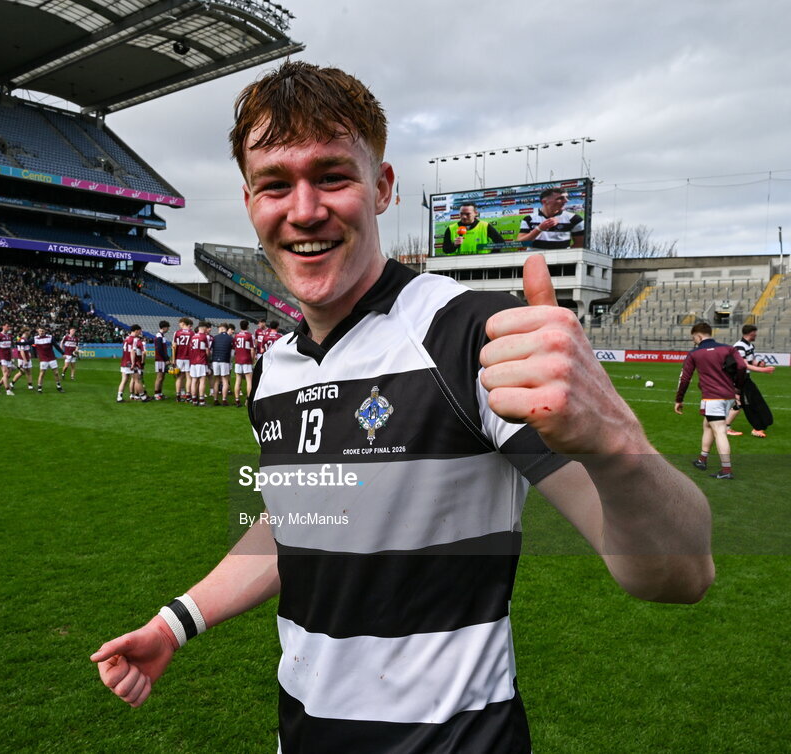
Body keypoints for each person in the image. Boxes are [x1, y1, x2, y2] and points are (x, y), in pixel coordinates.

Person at [90, 61, 714, 752]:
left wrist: (616, 439)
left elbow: (679, 576)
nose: (303, 210)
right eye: (276, 184)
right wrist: (177, 621)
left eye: (331, 175)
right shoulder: (274, 369)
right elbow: (301, 517)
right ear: (249, 203)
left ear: (382, 187)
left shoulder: (469, 333)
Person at [675, 322, 746, 480]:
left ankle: (726, 470)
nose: (694, 341)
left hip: (712, 398)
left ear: (698, 336)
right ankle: (702, 459)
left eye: (694, 337)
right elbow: (741, 367)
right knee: (708, 425)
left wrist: (679, 399)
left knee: (719, 430)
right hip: (727, 396)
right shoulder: (728, 348)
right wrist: (737, 389)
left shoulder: (694, 353)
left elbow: (685, 379)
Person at [724, 324, 776, 437]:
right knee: (746, 403)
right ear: (751, 333)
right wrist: (763, 370)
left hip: (744, 378)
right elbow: (744, 365)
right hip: (737, 379)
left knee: (741, 403)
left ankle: (726, 426)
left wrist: (760, 364)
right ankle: (756, 428)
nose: (756, 335)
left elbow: (751, 361)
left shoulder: (749, 346)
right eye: (755, 333)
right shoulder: (739, 346)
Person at [516, 188, 585, 249]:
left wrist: (563, 256)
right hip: (535, 260)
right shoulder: (529, 219)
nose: (566, 201)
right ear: (545, 201)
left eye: (566, 197)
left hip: (561, 262)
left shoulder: (574, 219)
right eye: (560, 198)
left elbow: (580, 244)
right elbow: (521, 245)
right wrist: (539, 229)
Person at [440, 202, 506, 255]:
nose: (464, 217)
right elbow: (445, 250)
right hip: (457, 266)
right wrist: (454, 245)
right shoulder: (451, 228)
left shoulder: (485, 226)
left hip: (480, 265)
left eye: (467, 214)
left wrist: (490, 257)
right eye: (461, 214)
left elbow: (501, 242)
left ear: (475, 213)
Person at [32, 326, 64, 394]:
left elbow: (56, 346)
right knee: (42, 373)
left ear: (45, 331)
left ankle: (58, 386)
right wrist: (18, 343)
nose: (41, 332)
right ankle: (39, 388)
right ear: (38, 331)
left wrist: (62, 353)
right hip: (43, 359)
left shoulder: (50, 337)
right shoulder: (35, 338)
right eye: (40, 331)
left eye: (42, 331)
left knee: (56, 373)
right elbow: (29, 343)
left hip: (51, 358)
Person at [187, 321, 211, 406]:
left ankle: (194, 400)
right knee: (202, 381)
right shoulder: (205, 337)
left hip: (193, 362)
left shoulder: (193, 337)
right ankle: (201, 400)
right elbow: (207, 351)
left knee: (194, 380)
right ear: (204, 327)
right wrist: (208, 359)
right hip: (201, 361)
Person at [232, 320, 255, 408]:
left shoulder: (236, 336)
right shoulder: (249, 336)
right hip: (246, 360)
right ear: (248, 326)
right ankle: (248, 400)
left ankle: (237, 400)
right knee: (249, 381)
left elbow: (235, 349)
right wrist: (252, 360)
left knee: (238, 380)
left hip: (238, 360)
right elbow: (252, 350)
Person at [210, 323, 234, 406]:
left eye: (219, 328)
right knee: (224, 380)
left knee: (216, 380)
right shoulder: (230, 338)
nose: (218, 329)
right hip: (225, 360)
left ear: (222, 328)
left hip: (215, 360)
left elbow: (211, 349)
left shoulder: (215, 338)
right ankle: (224, 399)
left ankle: (215, 399)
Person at [173, 317, 193, 403]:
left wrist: (173, 359)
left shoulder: (177, 333)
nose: (179, 324)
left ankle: (178, 395)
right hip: (188, 357)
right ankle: (188, 396)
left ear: (183, 323)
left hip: (179, 357)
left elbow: (174, 346)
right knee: (189, 377)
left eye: (180, 323)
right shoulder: (192, 333)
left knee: (179, 377)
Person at [0, 324, 15, 396]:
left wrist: (12, 357)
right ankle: (8, 390)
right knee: (5, 373)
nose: (9, 327)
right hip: (2, 356)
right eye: (7, 326)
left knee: (8, 375)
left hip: (8, 357)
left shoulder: (10, 336)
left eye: (9, 326)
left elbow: (10, 347)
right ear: (3, 327)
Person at [152, 321, 172, 401]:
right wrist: (166, 359)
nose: (168, 329)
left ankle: (159, 393)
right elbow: (159, 349)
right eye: (167, 327)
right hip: (160, 360)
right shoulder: (159, 336)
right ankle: (156, 394)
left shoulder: (162, 336)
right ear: (164, 327)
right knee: (159, 377)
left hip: (161, 359)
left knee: (162, 377)